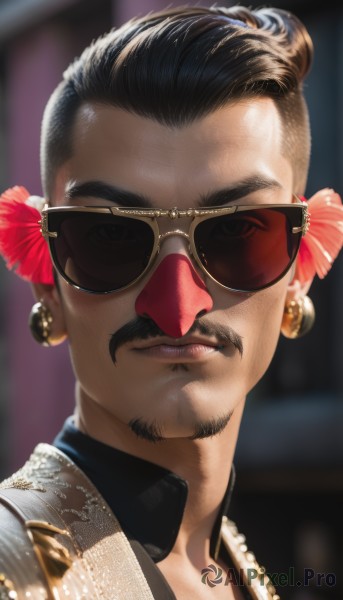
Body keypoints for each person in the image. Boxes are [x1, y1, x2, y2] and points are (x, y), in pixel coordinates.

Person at [0, 5, 342, 599]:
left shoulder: (237, 566)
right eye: (110, 236)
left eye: (240, 232)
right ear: (45, 278)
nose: (177, 306)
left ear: (299, 271)